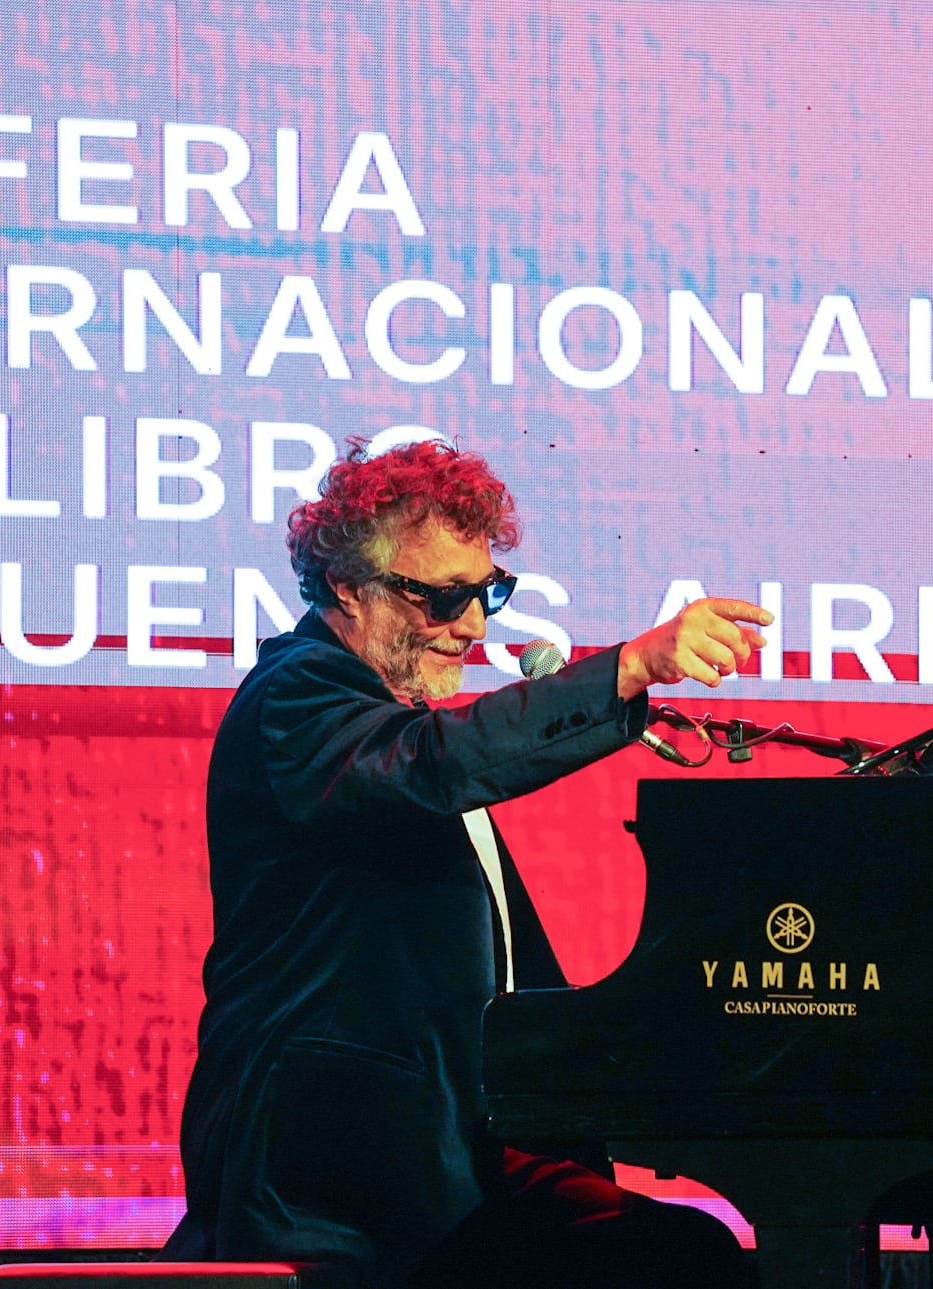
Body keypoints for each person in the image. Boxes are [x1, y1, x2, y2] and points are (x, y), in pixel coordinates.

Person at [165, 439, 769, 1289]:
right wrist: (624, 670)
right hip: (329, 1168)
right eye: (443, 597)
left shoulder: (391, 717)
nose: (475, 626)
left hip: (446, 1146)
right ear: (348, 586)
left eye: (487, 593)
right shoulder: (296, 695)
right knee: (670, 1261)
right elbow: (434, 763)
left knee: (682, 1254)